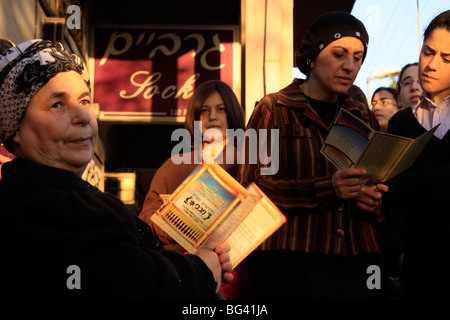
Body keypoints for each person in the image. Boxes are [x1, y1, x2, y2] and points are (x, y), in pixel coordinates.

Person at [0, 39, 232, 299]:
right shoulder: (40, 206)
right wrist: (200, 270)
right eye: (58, 105)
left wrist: (203, 256)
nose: (83, 116)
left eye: (85, 101)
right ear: (16, 128)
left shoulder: (54, 195)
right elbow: (132, 283)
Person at [238, 11, 388, 299]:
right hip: (293, 260)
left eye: (358, 57)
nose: (349, 66)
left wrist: (372, 199)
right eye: (339, 54)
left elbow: (377, 188)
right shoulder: (273, 108)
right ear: (311, 57)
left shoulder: (363, 116)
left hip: (358, 258)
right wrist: (327, 188)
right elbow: (250, 188)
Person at [138, 80, 247, 299]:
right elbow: (145, 224)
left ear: (232, 115)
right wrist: (179, 223)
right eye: (204, 111)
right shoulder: (173, 166)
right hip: (184, 276)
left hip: (237, 276)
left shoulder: (249, 165)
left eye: (221, 109)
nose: (212, 117)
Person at [384, 10, 450, 299]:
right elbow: (390, 192)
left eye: (446, 58)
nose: (432, 65)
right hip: (417, 268)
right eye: (428, 52)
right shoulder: (400, 123)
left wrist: (420, 179)